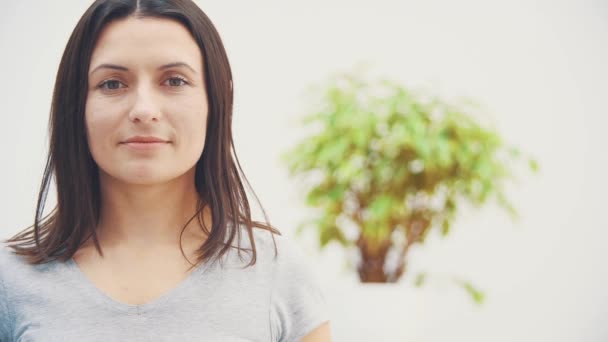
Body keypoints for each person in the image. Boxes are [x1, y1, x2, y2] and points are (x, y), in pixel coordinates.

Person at [0, 0, 331, 341]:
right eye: (112, 84)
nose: (144, 110)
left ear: (216, 102)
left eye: (174, 80)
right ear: (76, 105)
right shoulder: (9, 282)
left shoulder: (278, 275)